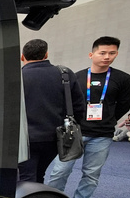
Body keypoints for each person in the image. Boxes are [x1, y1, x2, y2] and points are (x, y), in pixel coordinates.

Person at [45, 36, 130, 198]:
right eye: (102, 53)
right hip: (74, 132)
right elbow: (65, 102)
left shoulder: (123, 79)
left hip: (102, 134)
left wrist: (109, 119)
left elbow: (124, 104)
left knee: (91, 175)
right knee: (60, 171)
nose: (107, 56)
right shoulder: (76, 77)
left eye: (112, 53)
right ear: (91, 54)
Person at [17, 39, 82, 183]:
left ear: (22, 57)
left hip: (24, 138)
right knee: (39, 174)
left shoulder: (17, 76)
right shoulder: (65, 74)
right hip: (55, 138)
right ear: (46, 54)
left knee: (25, 177)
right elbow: (78, 106)